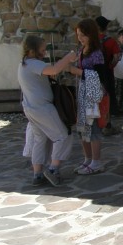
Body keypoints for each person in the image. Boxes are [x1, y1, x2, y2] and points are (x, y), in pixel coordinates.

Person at [17, 35, 77, 186]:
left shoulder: (24, 64)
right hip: (41, 108)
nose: (44, 53)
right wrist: (68, 57)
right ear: (33, 50)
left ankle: (37, 174)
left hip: (31, 108)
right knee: (63, 136)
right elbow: (54, 69)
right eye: (42, 50)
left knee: (40, 139)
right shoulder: (33, 64)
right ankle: (53, 169)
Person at [66, 18, 108, 175]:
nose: (80, 38)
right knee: (82, 127)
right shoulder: (81, 51)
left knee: (93, 127)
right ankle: (88, 159)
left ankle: (96, 161)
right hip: (83, 93)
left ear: (91, 35)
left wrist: (76, 71)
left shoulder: (97, 54)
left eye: (83, 35)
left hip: (93, 95)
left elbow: (99, 76)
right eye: (78, 35)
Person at [95, 15, 121, 124]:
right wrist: (111, 66)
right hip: (107, 71)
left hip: (94, 72)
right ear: (106, 27)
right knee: (108, 94)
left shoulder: (92, 41)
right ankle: (108, 120)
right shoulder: (111, 41)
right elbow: (116, 57)